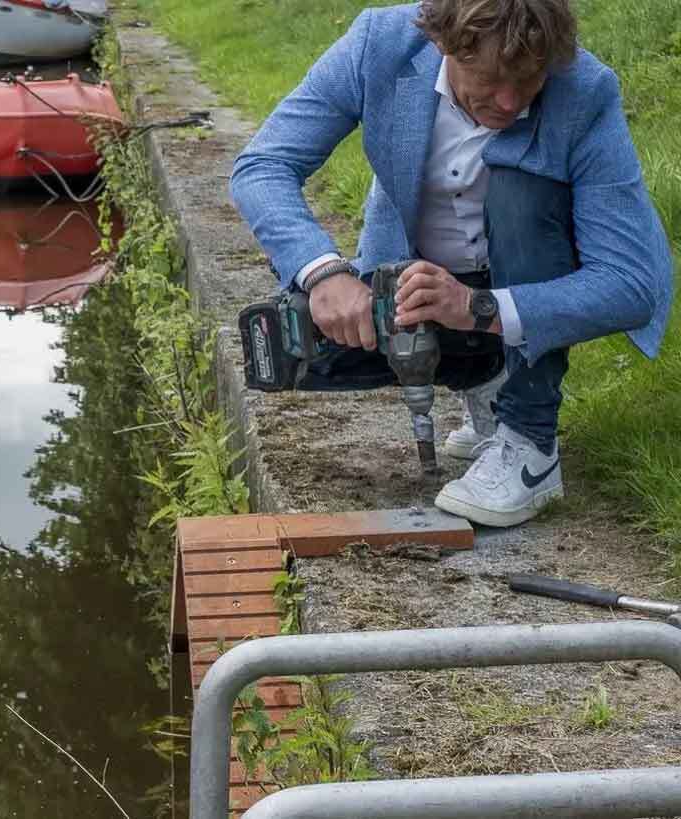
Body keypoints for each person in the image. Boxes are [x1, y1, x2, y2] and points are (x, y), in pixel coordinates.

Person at [229, 0, 673, 527]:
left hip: (530, 279)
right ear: (444, 44)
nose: (509, 101)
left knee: (520, 186)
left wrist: (475, 307)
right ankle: (485, 374)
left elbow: (629, 284)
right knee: (284, 346)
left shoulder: (585, 88)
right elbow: (264, 164)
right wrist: (324, 272)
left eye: (528, 79)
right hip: (423, 274)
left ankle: (531, 445)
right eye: (489, 78)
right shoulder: (381, 44)